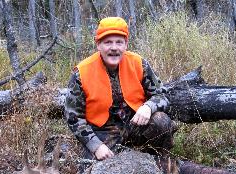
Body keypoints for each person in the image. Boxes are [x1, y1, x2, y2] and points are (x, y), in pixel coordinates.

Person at [65, 17, 176, 161]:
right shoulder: (81, 73)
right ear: (98, 44)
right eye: (107, 42)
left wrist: (148, 107)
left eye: (119, 42)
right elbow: (74, 118)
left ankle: (159, 162)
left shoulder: (138, 64)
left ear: (126, 44)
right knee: (91, 171)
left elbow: (162, 95)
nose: (114, 48)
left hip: (135, 124)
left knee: (161, 121)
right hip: (102, 132)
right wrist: (95, 145)